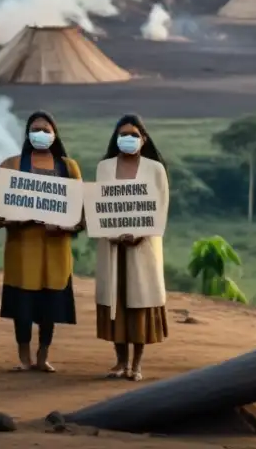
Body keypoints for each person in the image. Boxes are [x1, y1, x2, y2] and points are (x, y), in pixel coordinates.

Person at [0, 110, 83, 373]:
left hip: (55, 250)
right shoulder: (11, 166)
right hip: (22, 250)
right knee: (23, 306)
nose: (41, 135)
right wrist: (14, 221)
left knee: (48, 306)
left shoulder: (68, 167)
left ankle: (43, 356)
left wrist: (64, 225)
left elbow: (80, 214)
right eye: (36, 129)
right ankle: (23, 357)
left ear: (55, 134)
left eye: (46, 130)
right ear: (27, 134)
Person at [95, 114, 170, 382]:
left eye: (134, 135)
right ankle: (119, 362)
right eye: (123, 134)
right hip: (113, 246)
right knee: (116, 301)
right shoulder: (104, 168)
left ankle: (136, 365)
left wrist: (140, 235)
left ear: (144, 139)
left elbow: (160, 208)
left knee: (139, 302)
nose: (128, 139)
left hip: (143, 247)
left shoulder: (155, 169)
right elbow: (100, 206)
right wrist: (112, 234)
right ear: (115, 139)